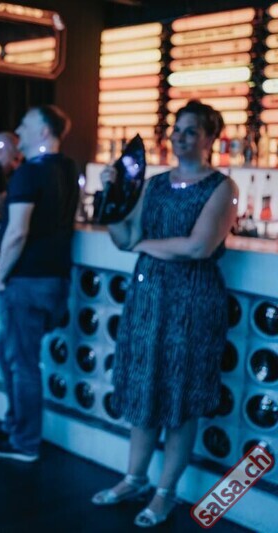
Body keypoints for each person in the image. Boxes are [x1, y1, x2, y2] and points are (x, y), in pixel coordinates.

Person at [91, 100, 237, 528]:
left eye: (192, 131)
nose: (181, 137)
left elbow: (199, 246)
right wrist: (112, 194)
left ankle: (165, 493)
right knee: (144, 388)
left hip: (193, 302)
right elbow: (124, 238)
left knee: (180, 397)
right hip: (148, 299)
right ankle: (134, 479)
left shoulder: (222, 187)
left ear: (210, 138)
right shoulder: (153, 184)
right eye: (177, 129)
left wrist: (143, 246)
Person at [0, 105, 79, 463]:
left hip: (25, 281)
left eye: (25, 123)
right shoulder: (68, 169)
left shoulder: (28, 173)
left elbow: (16, 233)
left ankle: (24, 442)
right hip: (56, 279)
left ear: (44, 132)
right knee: (12, 355)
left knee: (21, 363)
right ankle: (14, 427)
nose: (19, 129)